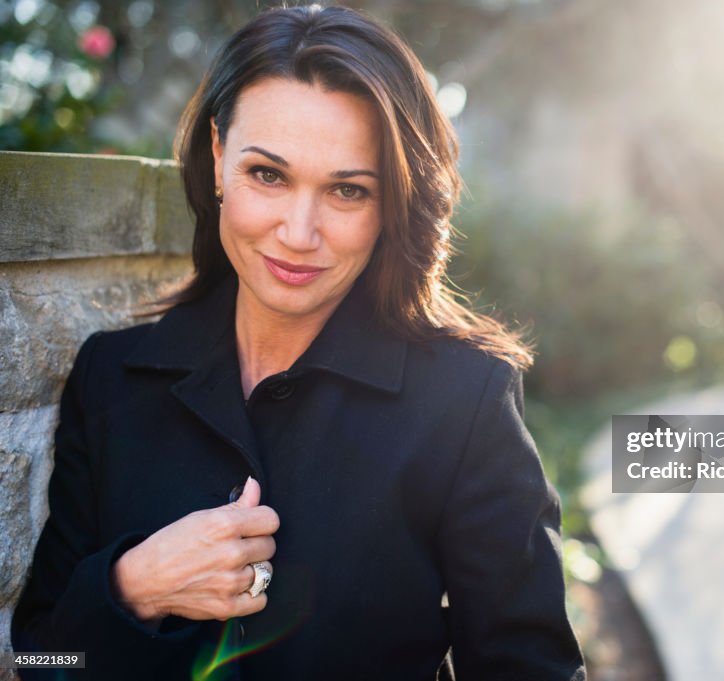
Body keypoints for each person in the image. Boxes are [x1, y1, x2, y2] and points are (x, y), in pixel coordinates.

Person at [11, 4, 586, 679]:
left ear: (391, 203)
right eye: (268, 175)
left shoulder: (463, 399)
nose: (299, 231)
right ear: (220, 158)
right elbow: (39, 656)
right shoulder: (111, 376)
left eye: (347, 190)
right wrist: (134, 586)